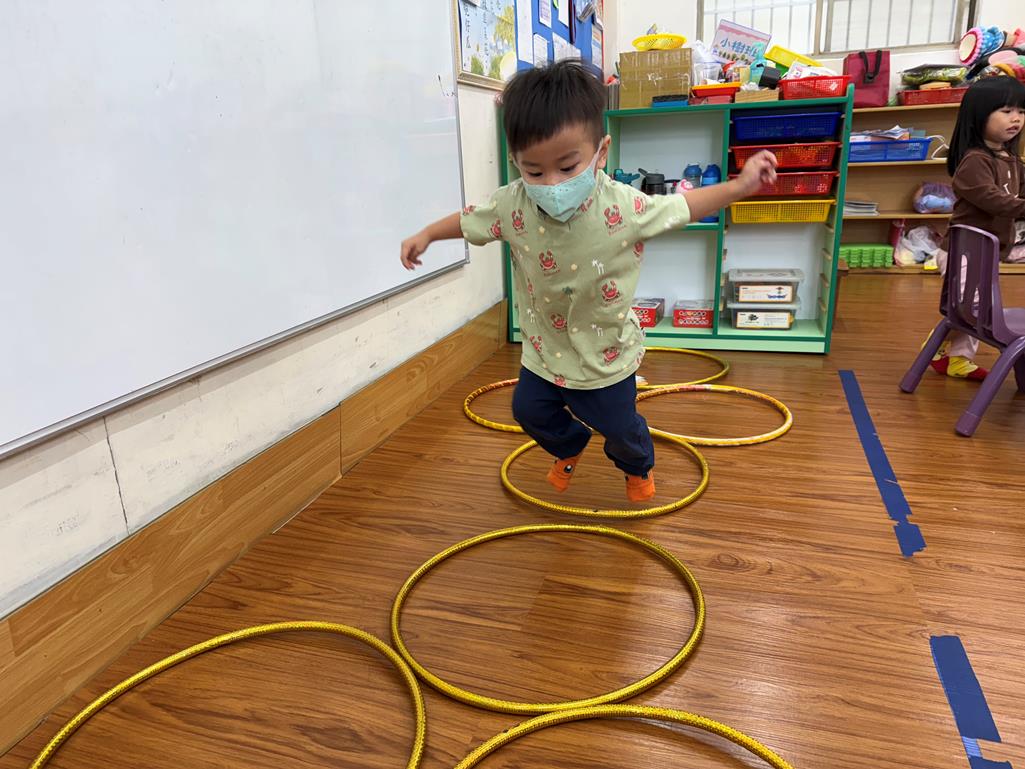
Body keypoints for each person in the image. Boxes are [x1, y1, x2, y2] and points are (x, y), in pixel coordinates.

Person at [400, 61, 776, 501]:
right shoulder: (511, 205)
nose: (551, 184)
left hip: (605, 355)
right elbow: (469, 220)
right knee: (527, 411)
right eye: (534, 171)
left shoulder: (624, 206)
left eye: (567, 167)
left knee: (619, 426)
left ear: (601, 152)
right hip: (545, 352)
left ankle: (637, 466)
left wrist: (739, 187)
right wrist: (428, 234)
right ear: (515, 162)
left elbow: (684, 207)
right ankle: (570, 444)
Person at [931, 75, 1025, 381]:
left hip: (989, 252)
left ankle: (958, 360)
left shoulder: (1011, 159)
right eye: (1006, 111)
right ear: (979, 115)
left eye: (1021, 111)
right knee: (970, 310)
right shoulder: (974, 161)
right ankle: (937, 346)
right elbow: (995, 201)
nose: (1016, 118)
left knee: (978, 306)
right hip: (963, 253)